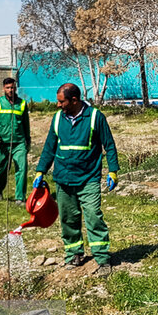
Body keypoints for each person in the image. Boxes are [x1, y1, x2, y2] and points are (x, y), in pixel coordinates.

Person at [33, 83, 120, 277]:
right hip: (63, 178)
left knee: (93, 216)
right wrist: (40, 171)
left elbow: (109, 145)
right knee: (68, 218)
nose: (58, 105)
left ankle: (102, 258)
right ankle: (74, 255)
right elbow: (49, 147)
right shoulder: (57, 119)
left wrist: (113, 171)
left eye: (61, 101)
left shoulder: (95, 117)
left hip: (88, 178)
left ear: (74, 100)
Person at [0, 77, 30, 204]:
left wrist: (28, 140)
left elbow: (26, 124)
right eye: (8, 88)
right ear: (4, 88)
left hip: (19, 142)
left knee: (22, 169)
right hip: (2, 143)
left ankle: (20, 198)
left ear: (16, 88)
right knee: (1, 170)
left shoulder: (22, 104)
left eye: (13, 87)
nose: (11, 90)